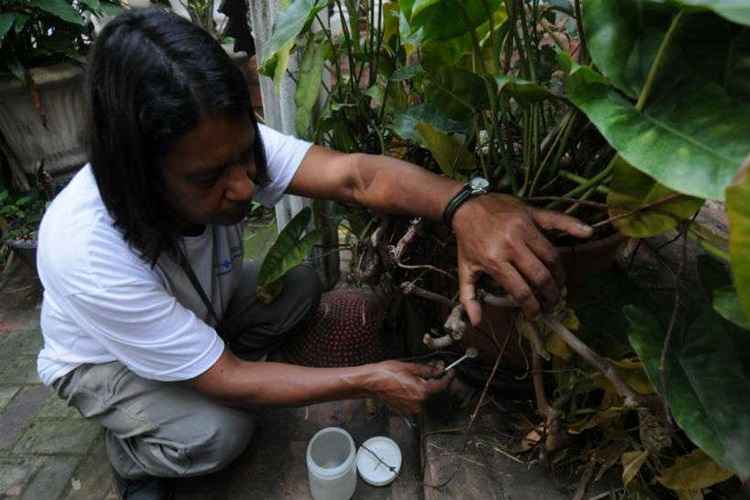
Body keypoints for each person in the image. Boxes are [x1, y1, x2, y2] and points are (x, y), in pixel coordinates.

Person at [36, 7, 592, 500]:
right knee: (220, 432)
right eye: (211, 177)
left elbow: (355, 176)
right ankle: (135, 449)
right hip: (103, 360)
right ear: (140, 175)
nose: (246, 188)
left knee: (298, 287)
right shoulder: (84, 249)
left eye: (244, 157)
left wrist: (467, 206)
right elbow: (226, 376)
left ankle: (189, 356)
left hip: (198, 305)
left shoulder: (215, 143)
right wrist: (367, 378)